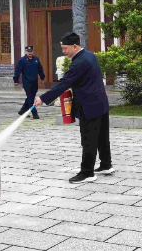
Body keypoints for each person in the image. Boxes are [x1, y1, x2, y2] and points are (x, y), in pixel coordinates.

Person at [34, 32, 112, 183]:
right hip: (101, 103)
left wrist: (43, 98)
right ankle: (106, 165)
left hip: (89, 106)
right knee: (102, 137)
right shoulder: (90, 55)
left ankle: (87, 173)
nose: (63, 51)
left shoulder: (79, 62)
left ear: (75, 46)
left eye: (65, 48)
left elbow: (64, 83)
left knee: (89, 140)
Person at [13, 45, 45, 119]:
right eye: (28, 51)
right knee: (30, 98)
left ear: (33, 51)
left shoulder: (36, 59)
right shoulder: (22, 60)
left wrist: (42, 76)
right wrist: (16, 80)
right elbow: (18, 70)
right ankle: (34, 113)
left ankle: (22, 111)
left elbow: (40, 68)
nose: (30, 53)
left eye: (31, 51)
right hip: (27, 82)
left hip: (34, 81)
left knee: (30, 97)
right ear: (26, 52)